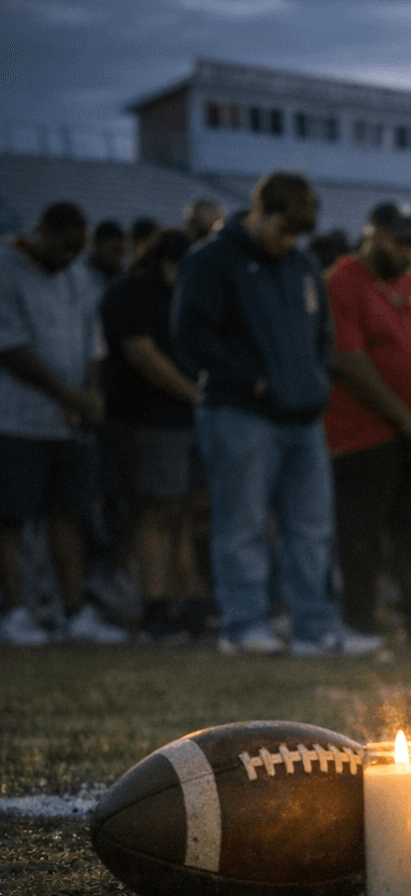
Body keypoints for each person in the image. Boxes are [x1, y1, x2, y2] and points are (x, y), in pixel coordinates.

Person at [173, 171, 377, 657]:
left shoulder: (301, 263)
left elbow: (322, 332)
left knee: (311, 528)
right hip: (240, 413)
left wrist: (315, 377)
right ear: (260, 211)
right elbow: (192, 334)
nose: (288, 242)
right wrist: (253, 379)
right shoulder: (213, 260)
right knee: (241, 523)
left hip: (302, 417)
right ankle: (244, 625)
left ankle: (312, 628)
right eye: (282, 230)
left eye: (295, 235)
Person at [326, 202, 411, 644]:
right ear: (372, 234)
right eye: (398, 240)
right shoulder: (344, 280)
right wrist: (404, 416)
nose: (406, 250)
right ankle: (360, 622)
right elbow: (350, 358)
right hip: (365, 434)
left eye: (410, 242)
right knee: (362, 535)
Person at [0, 201, 129, 644]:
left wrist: (90, 392)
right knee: (11, 518)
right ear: (41, 231)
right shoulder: (6, 267)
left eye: (78, 249)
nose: (70, 256)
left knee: (68, 515)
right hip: (17, 418)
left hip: (68, 421)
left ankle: (75, 611)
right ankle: (16, 612)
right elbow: (12, 347)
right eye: (65, 246)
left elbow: (92, 341)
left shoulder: (76, 276)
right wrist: (70, 394)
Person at [99, 228, 206, 641]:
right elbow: (142, 355)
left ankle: (185, 603)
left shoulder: (181, 294)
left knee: (186, 512)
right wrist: (195, 394)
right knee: (156, 512)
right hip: (149, 420)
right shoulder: (133, 293)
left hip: (184, 422)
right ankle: (155, 607)